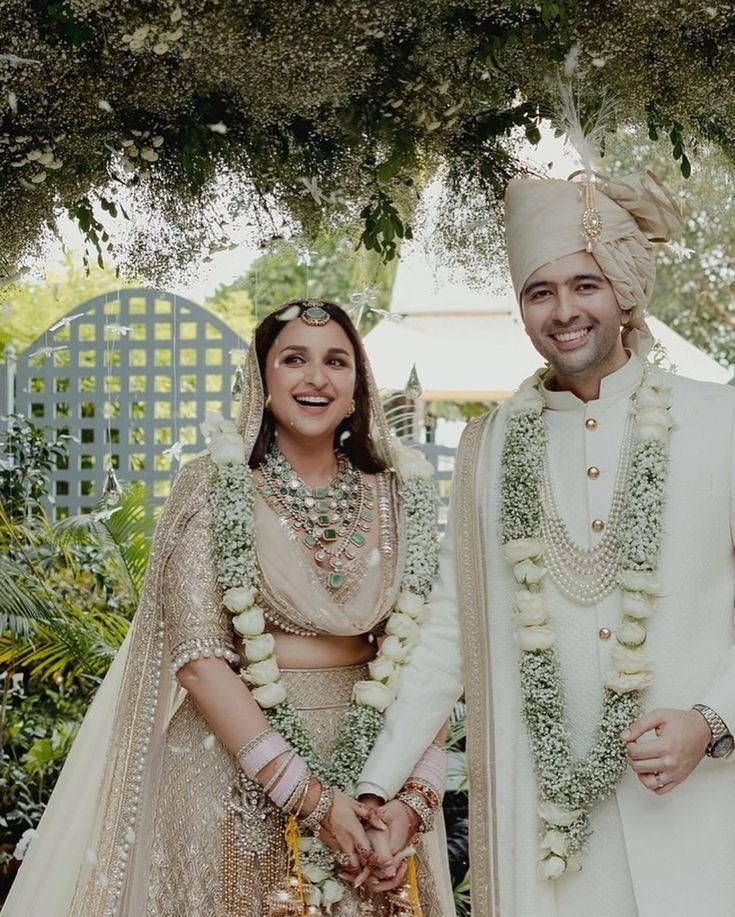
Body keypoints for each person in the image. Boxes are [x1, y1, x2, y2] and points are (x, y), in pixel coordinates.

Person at [356, 169, 735, 917]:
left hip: (701, 811)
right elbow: (448, 629)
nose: (564, 311)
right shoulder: (487, 448)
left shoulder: (718, 422)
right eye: (539, 291)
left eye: (584, 284)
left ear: (623, 293)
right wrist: (379, 781)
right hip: (547, 827)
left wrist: (712, 721)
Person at [3, 299, 456, 917]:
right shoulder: (211, 489)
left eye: (336, 362)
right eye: (293, 359)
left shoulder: (404, 496)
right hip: (235, 772)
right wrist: (309, 797)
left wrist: (410, 804)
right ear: (262, 381)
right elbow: (198, 659)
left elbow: (433, 658)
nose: (316, 378)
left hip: (375, 771)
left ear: (358, 389)